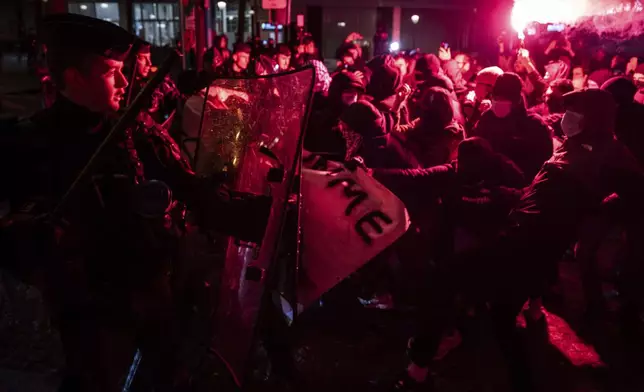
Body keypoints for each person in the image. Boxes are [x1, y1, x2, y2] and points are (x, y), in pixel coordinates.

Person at [0, 14, 267, 391]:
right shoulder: (30, 145)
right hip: (90, 317)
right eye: (111, 72)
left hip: (157, 294)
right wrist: (30, 236)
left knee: (165, 375)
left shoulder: (134, 131)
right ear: (74, 78)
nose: (125, 82)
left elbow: (195, 191)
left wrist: (266, 215)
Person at [390, 88, 644, 392]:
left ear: (595, 117)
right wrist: (509, 197)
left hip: (529, 245)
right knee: (501, 317)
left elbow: (637, 195)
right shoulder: (574, 145)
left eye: (576, 112)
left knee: (443, 279)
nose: (568, 118)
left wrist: (594, 208)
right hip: (521, 236)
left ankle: (417, 371)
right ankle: (521, 383)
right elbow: (542, 192)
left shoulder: (612, 153)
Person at [470, 72, 553, 182]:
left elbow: (544, 158)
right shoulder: (487, 118)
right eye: (497, 98)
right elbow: (475, 149)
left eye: (505, 99)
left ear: (517, 99)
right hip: (491, 185)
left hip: (523, 186)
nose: (500, 103)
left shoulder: (534, 124)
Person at [126, 39, 180, 125]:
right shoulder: (124, 89)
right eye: (143, 58)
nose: (149, 63)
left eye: (149, 58)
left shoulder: (156, 83)